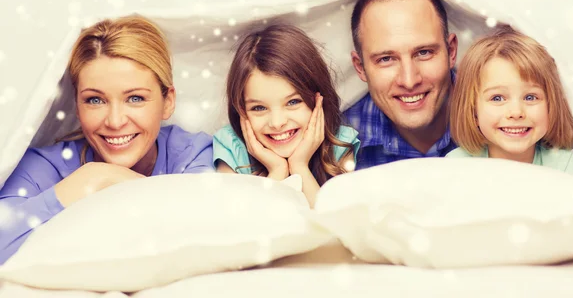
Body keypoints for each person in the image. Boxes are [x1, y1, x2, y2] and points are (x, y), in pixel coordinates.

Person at [0, 16, 214, 264]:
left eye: (135, 98)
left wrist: (125, 184)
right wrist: (89, 179)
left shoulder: (194, 153)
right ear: (77, 107)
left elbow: (200, 234)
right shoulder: (42, 166)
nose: (114, 121)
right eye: (95, 100)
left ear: (168, 102)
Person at [213, 24, 360, 207]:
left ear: (318, 100)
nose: (277, 123)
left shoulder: (340, 144)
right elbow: (246, 228)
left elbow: (335, 229)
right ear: (241, 110)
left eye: (292, 102)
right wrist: (277, 170)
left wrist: (299, 167)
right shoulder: (231, 149)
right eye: (259, 108)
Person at [344, 0, 458, 169]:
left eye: (424, 53)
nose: (409, 80)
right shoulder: (337, 142)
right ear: (360, 67)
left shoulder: (504, 116)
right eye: (386, 59)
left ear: (451, 52)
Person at [446, 25, 573, 176]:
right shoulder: (457, 166)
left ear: (551, 105)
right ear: (473, 111)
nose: (516, 112)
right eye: (497, 98)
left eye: (530, 97)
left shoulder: (563, 164)